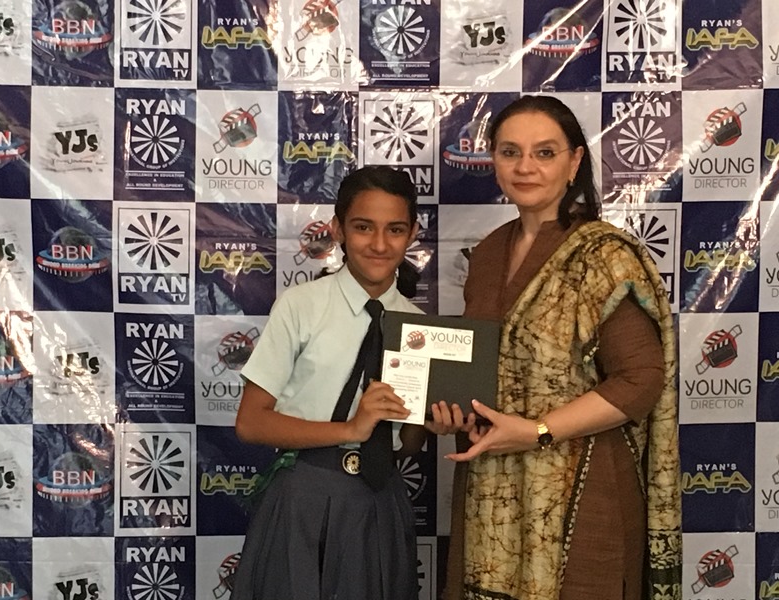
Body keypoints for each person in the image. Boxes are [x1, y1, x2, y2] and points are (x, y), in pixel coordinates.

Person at [440, 96, 682, 600]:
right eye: (510, 152)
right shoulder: (488, 253)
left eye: (544, 153)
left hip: (582, 488)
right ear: (493, 160)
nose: (525, 167)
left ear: (574, 163)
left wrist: (537, 431)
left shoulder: (604, 255)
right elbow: (484, 367)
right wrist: (453, 412)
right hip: (493, 488)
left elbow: (641, 380)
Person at [230, 165, 462, 600]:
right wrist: (350, 429)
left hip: (380, 498)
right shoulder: (301, 305)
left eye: (395, 229)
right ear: (337, 229)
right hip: (304, 493)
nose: (379, 244)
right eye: (363, 227)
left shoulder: (419, 326)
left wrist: (430, 423)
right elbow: (251, 422)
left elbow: (406, 445)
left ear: (413, 234)